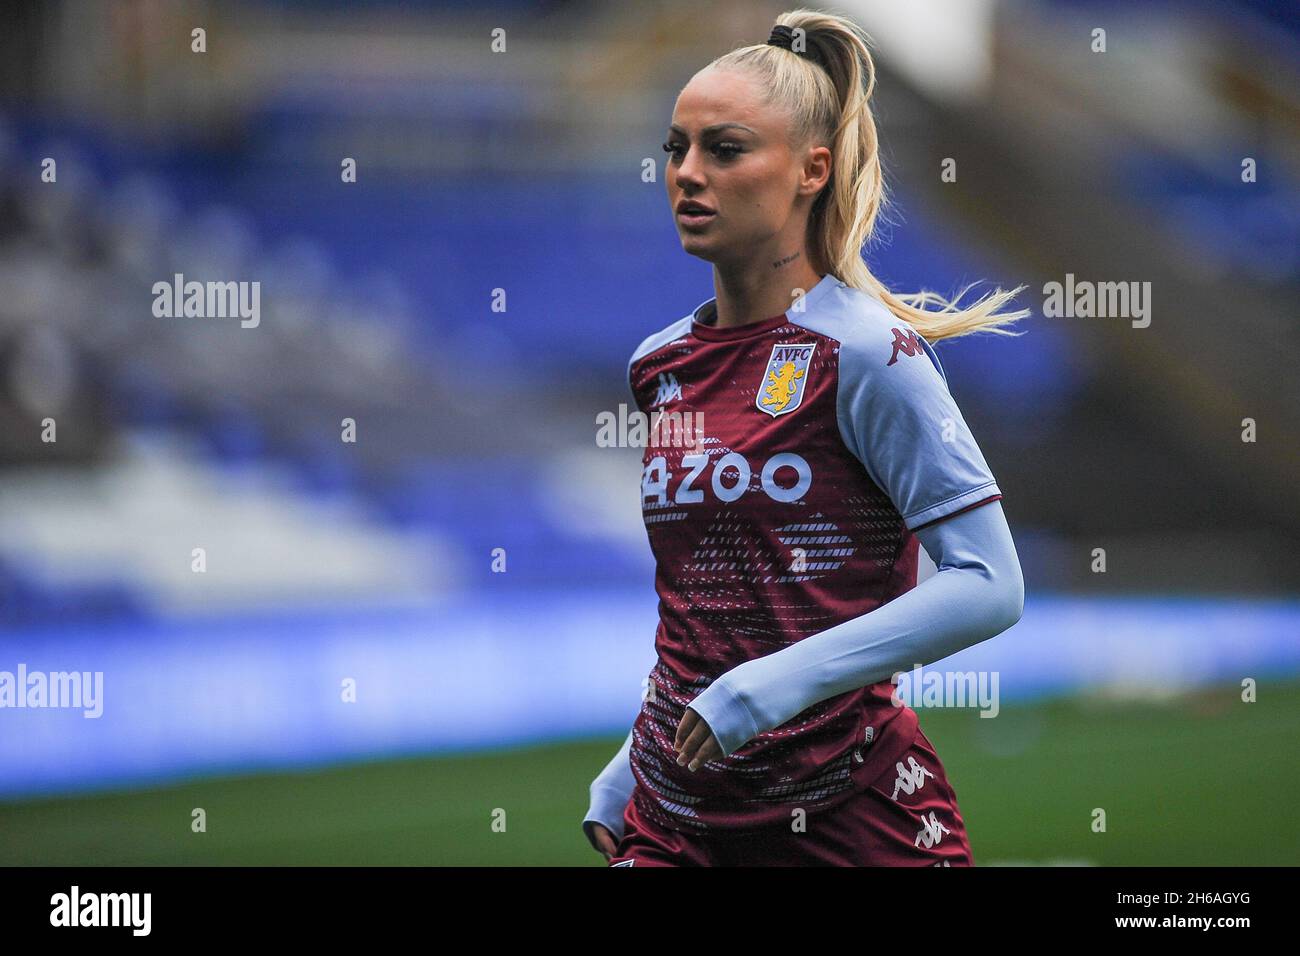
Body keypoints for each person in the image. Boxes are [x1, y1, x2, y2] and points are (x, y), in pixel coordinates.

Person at [582, 8, 1027, 866]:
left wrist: (765, 689)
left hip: (853, 810)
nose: (687, 173)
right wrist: (632, 761)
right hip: (678, 817)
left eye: (726, 148)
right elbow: (706, 608)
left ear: (811, 169)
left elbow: (989, 582)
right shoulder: (659, 365)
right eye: (676, 148)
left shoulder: (864, 353)